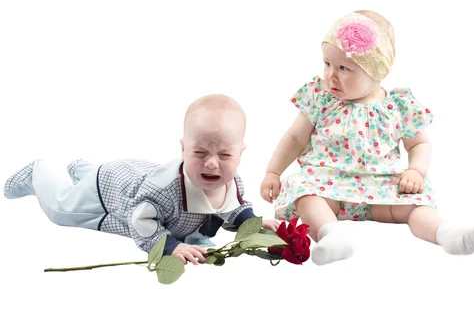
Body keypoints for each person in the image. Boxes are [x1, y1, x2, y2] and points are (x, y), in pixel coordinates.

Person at [260, 10, 474, 265]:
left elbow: (419, 143)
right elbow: (295, 138)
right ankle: (331, 235)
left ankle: (449, 235)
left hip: (380, 186)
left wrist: (416, 171)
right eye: (327, 63)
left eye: (344, 68)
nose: (331, 75)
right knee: (305, 194)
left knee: (415, 204)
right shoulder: (321, 97)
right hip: (325, 181)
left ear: (377, 71)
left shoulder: (398, 106)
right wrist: (273, 172)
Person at [4, 94, 279, 265]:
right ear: (183, 148)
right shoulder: (163, 193)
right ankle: (38, 172)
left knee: (103, 197)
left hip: (133, 175)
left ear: (240, 154)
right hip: (111, 188)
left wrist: (252, 222)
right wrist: (170, 245)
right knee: (62, 210)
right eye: (199, 152)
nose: (211, 162)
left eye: (224, 154)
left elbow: (232, 208)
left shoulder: (232, 182)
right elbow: (139, 220)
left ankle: (81, 169)